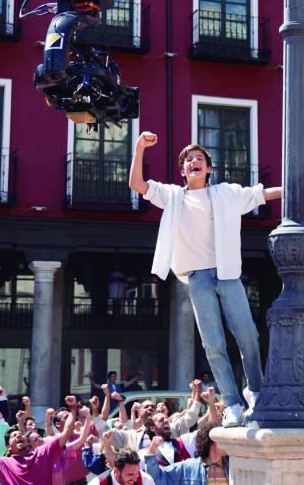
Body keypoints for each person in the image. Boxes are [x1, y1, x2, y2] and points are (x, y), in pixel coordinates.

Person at [129, 131, 282, 427]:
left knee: (247, 334)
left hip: (227, 274)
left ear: (208, 168)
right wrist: (139, 148)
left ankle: (256, 391)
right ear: (183, 171)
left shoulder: (226, 193)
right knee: (213, 345)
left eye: (199, 158)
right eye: (189, 160)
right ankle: (233, 403)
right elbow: (136, 184)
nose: (194, 161)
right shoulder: (173, 196)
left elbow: (261, 194)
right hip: (198, 278)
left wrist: (295, 187)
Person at [0, 405, 77, 485]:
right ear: (8, 448)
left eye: (20, 434)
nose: (18, 436)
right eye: (13, 436)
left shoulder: (43, 453)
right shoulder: (2, 463)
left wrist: (73, 408)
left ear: (28, 443)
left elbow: (66, 433)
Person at [142, 419, 226, 485]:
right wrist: (151, 451)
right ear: (214, 442)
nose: (230, 442)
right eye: (224, 438)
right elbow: (157, 479)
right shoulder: (189, 467)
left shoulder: (233, 463)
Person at [87, 449, 154, 485]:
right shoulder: (98, 483)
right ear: (116, 471)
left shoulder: (145, 480)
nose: (135, 479)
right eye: (130, 474)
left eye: (137, 473)